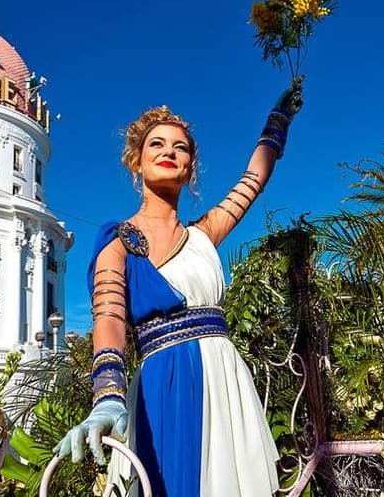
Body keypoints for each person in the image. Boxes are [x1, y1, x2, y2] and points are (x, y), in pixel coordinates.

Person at [55, 79, 304, 497]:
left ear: (189, 168)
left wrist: (278, 121)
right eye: (157, 144)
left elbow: (254, 179)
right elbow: (110, 317)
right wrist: (108, 397)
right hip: (162, 385)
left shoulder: (204, 234)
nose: (169, 151)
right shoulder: (118, 241)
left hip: (225, 379)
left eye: (181, 147)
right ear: (136, 161)